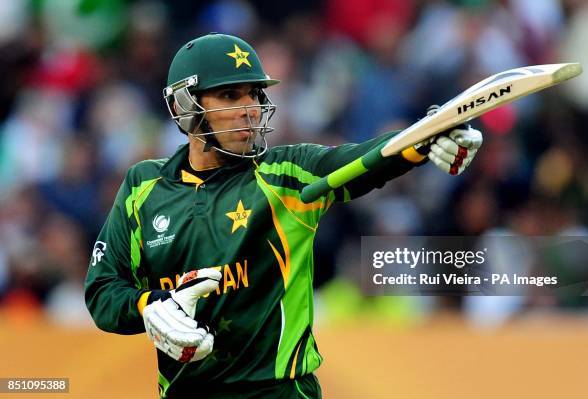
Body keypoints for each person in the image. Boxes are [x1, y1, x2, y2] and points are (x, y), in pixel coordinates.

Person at [84, 33, 482, 398]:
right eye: (229, 96)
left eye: (254, 95)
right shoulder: (143, 187)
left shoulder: (287, 175)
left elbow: (369, 159)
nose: (249, 110)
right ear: (184, 106)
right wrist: (150, 307)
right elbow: (102, 291)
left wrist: (432, 131)